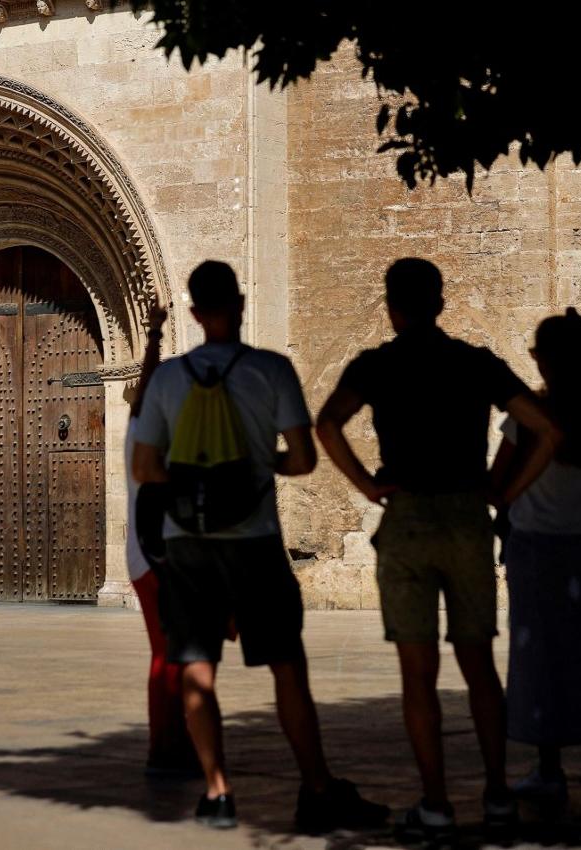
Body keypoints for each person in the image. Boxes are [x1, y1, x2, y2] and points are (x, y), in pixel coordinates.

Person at [132, 260, 388, 833]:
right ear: (241, 304)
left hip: (189, 546)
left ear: (195, 313)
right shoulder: (270, 370)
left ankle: (218, 792)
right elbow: (302, 459)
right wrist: (255, 462)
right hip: (255, 542)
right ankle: (317, 787)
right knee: (287, 669)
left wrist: (191, 475)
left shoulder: (170, 379)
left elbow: (144, 468)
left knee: (197, 668)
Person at [316, 258, 559, 839]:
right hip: (466, 516)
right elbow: (546, 431)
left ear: (392, 307)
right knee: (479, 666)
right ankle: (498, 795)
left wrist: (369, 486)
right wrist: (504, 493)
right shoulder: (476, 365)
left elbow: (328, 424)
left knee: (417, 673)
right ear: (441, 302)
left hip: (406, 522)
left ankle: (435, 802)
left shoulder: (376, 365)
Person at [490, 308, 581, 801]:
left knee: (537, 659)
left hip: (533, 549)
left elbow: (497, 484)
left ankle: (549, 768)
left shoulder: (528, 417)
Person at [124, 305, 200, 777]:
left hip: (144, 555)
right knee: (172, 655)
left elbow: (145, 384)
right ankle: (166, 747)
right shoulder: (152, 437)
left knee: (171, 653)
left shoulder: (138, 428)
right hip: (159, 556)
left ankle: (172, 742)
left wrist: (152, 337)